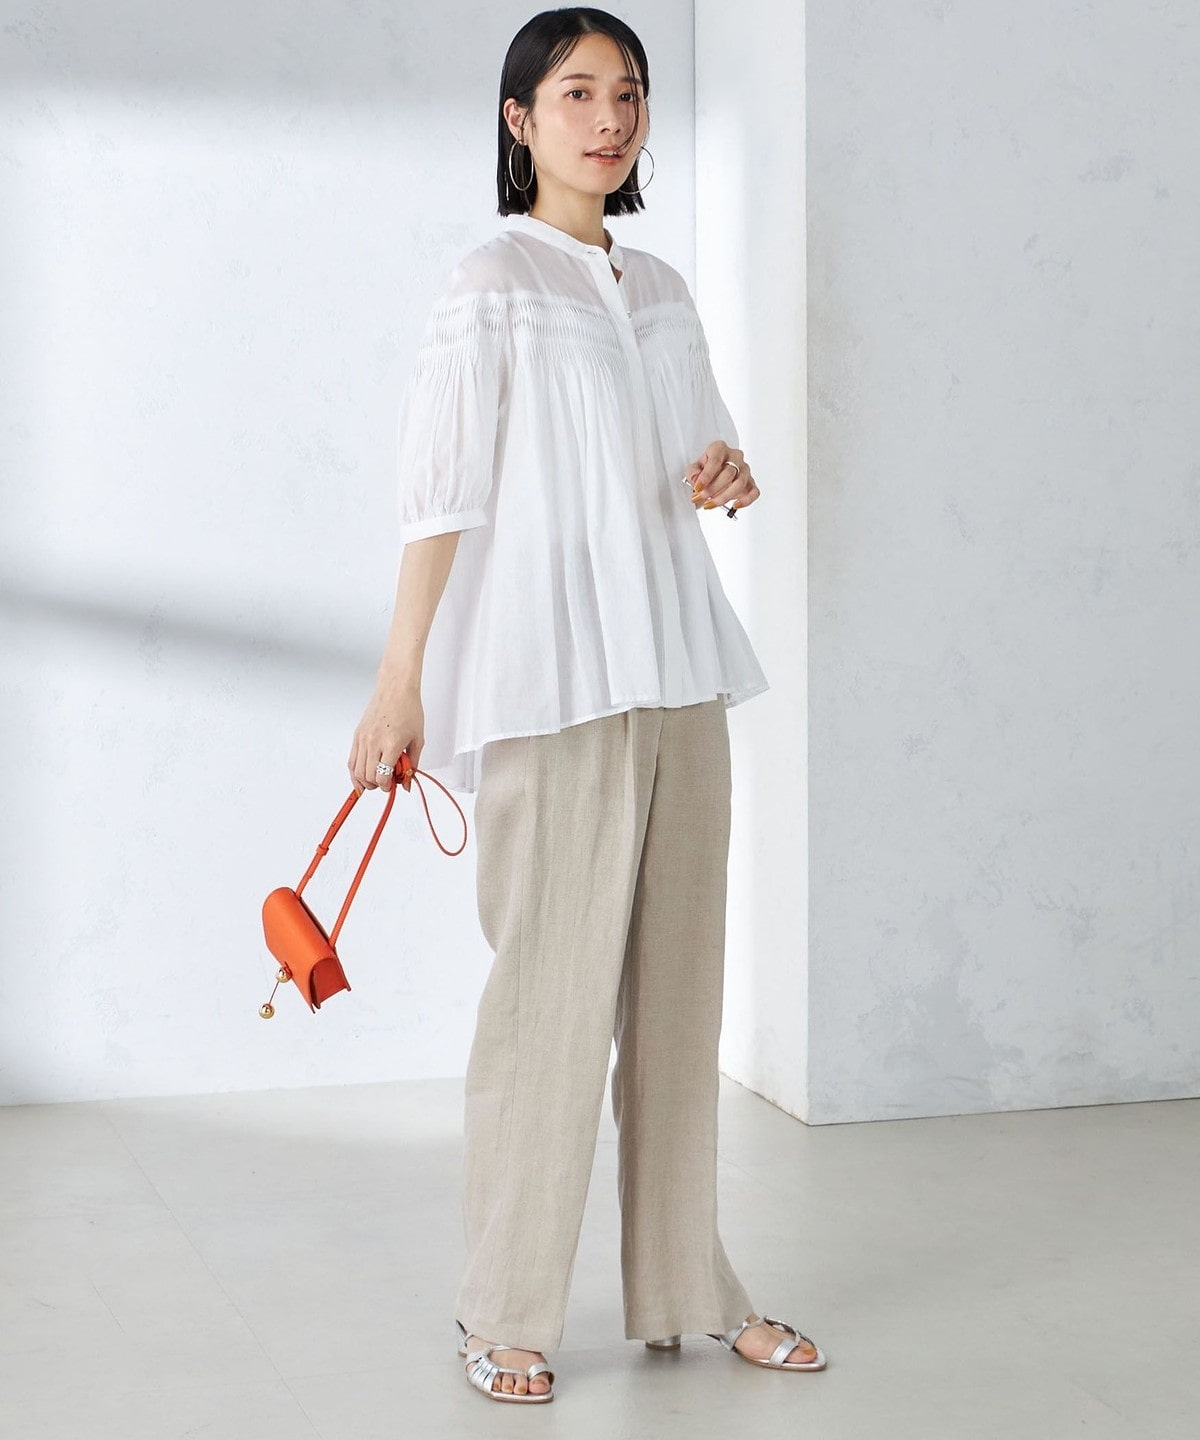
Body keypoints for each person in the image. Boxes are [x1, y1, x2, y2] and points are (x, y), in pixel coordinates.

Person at [347, 6, 826, 1405]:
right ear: (520, 120)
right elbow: (440, 496)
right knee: (546, 1008)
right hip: (551, 678)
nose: (609, 118)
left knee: (678, 1005)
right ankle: (504, 1311)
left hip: (678, 670)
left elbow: (702, 457)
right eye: (576, 93)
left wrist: (727, 472)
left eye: (629, 93)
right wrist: (400, 680)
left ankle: (691, 1290)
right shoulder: (489, 282)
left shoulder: (662, 287)